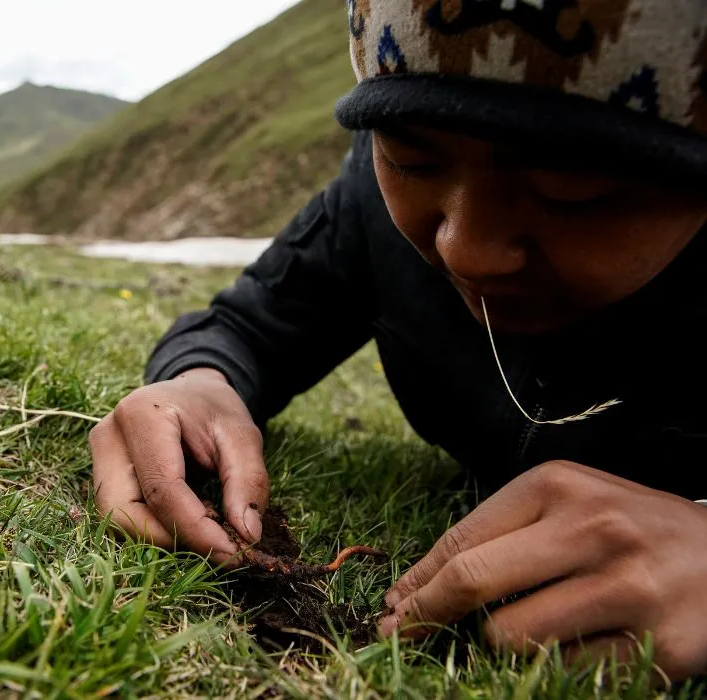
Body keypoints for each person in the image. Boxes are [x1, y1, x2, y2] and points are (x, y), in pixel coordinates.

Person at [89, 0, 707, 681]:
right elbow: (245, 326)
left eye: (572, 191)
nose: (463, 247)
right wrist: (198, 383)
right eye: (412, 158)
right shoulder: (366, 203)